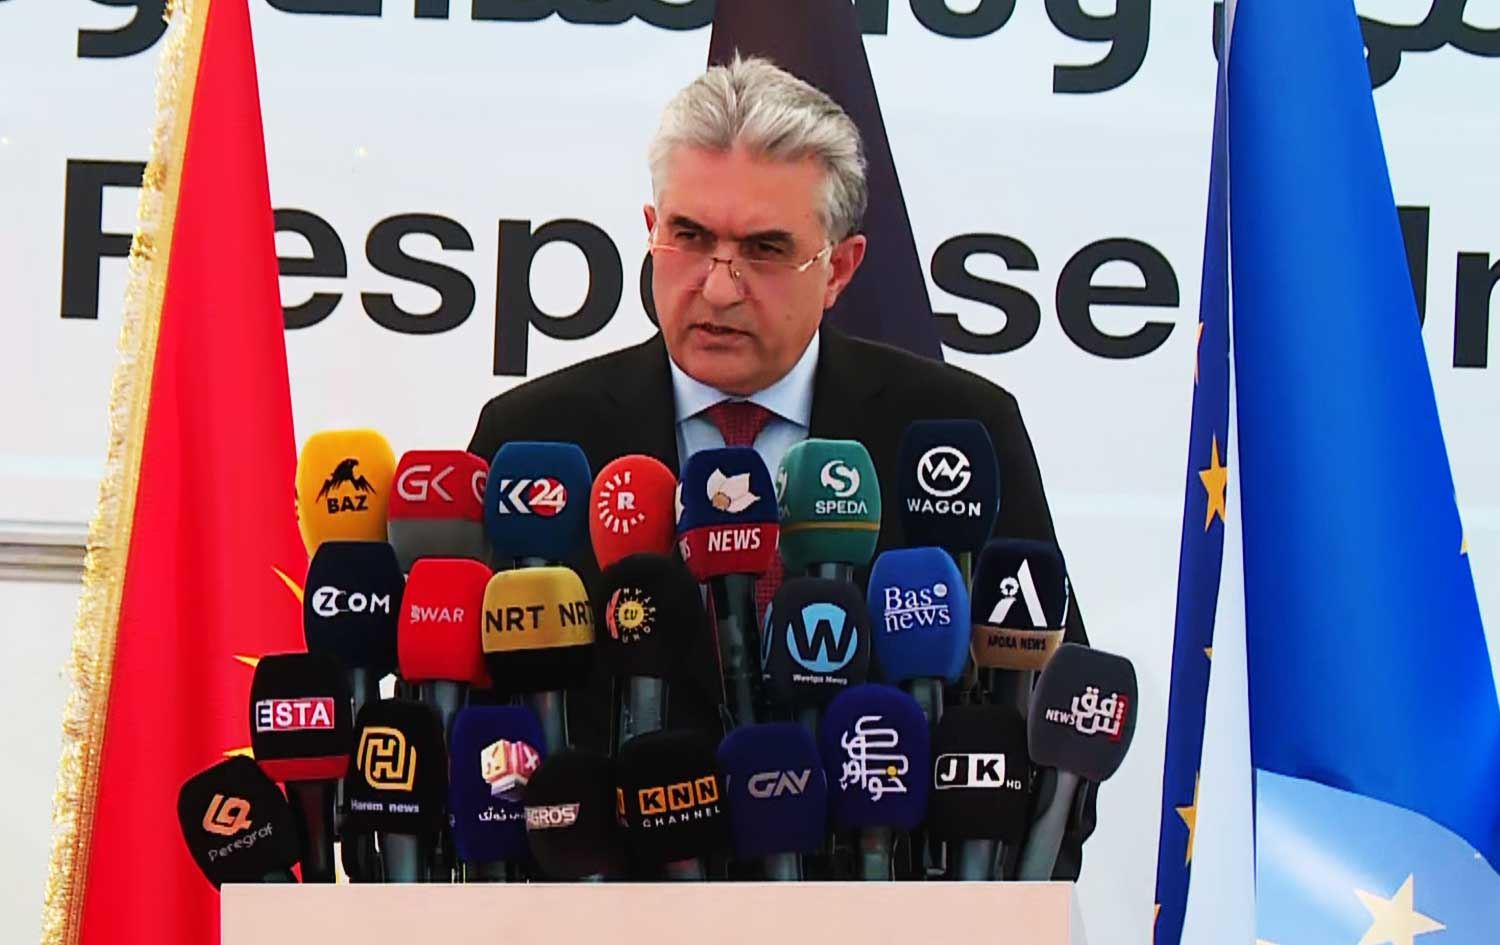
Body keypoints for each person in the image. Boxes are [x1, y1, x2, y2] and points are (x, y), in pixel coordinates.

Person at [470, 55, 1094, 876]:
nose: (718, 288)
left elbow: (1052, 747)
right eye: (690, 237)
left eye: (764, 249)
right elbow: (472, 747)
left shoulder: (957, 429)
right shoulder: (535, 437)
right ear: (652, 229)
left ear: (840, 268)